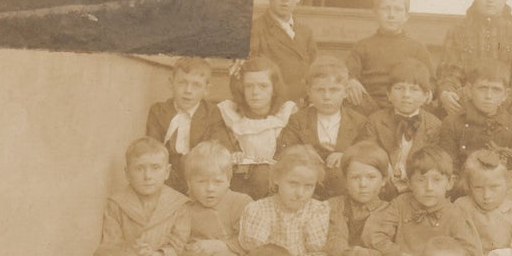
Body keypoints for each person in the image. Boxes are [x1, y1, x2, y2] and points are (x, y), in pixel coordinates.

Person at [362, 145, 481, 256]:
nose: (429, 187)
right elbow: (373, 235)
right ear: (409, 182)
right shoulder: (401, 204)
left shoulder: (455, 213)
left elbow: (471, 253)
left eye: (437, 180)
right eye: (421, 180)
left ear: (450, 183)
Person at [237, 145, 332, 256]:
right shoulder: (260, 209)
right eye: (293, 184)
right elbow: (256, 250)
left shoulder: (317, 210)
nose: (300, 193)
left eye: (308, 186)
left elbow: (316, 250)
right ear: (277, 178)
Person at [277, 55, 371, 200]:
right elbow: (285, 150)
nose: (327, 97)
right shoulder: (298, 120)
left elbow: (367, 150)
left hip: (343, 186)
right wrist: (305, 154)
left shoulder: (358, 122)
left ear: (345, 92)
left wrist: (346, 156)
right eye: (320, 90)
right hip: (308, 183)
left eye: (334, 90)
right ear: (309, 92)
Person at [101, 137, 190, 256]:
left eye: (155, 168)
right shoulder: (116, 203)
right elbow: (110, 244)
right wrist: (133, 254)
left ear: (167, 172)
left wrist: (157, 255)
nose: (148, 176)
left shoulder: (179, 203)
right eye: (139, 168)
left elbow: (179, 244)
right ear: (127, 173)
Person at [183, 140, 253, 256]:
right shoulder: (186, 208)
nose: (210, 189)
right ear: (189, 183)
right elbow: (181, 239)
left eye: (218, 181)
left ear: (229, 181)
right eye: (201, 182)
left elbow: (250, 240)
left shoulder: (240, 202)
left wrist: (220, 246)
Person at [146, 56, 231, 194]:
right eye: (182, 83)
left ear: (206, 89)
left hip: (200, 174)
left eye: (196, 85)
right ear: (171, 83)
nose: (188, 90)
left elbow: (217, 149)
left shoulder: (213, 113)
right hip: (168, 174)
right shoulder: (159, 111)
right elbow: (153, 148)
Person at [345, 0, 435, 115]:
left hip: (405, 104)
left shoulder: (417, 48)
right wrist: (351, 80)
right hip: (370, 106)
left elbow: (431, 81)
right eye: (385, 9)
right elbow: (348, 73)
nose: (391, 15)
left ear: (406, 16)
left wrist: (429, 90)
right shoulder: (362, 46)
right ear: (375, 13)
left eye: (398, 10)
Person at [218, 57, 298, 200]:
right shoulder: (230, 116)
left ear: (274, 88)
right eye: (249, 86)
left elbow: (289, 154)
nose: (255, 92)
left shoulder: (285, 116)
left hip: (276, 187)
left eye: (263, 86)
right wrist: (231, 154)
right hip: (238, 184)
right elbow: (221, 149)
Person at [360, 59, 442, 194]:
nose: (406, 95)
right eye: (399, 88)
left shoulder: (435, 125)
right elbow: (367, 150)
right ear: (389, 94)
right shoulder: (376, 120)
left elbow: (434, 163)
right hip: (383, 187)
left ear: (426, 96)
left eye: (414, 90)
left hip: (417, 189)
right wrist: (383, 164)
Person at [435, 58, 512, 174]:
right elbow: (449, 169)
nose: (488, 96)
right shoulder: (452, 124)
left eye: (496, 90)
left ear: (505, 95)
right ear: (469, 90)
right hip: (461, 188)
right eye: (482, 88)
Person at [249, 0, 317, 103]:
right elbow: (246, 79)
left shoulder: (306, 32)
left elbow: (315, 72)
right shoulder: (255, 30)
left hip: (304, 105)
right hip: (270, 105)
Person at [323, 141, 392, 256]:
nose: (363, 184)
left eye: (371, 177)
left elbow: (384, 251)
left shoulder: (388, 211)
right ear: (346, 181)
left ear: (383, 180)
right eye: (355, 178)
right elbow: (334, 241)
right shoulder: (333, 206)